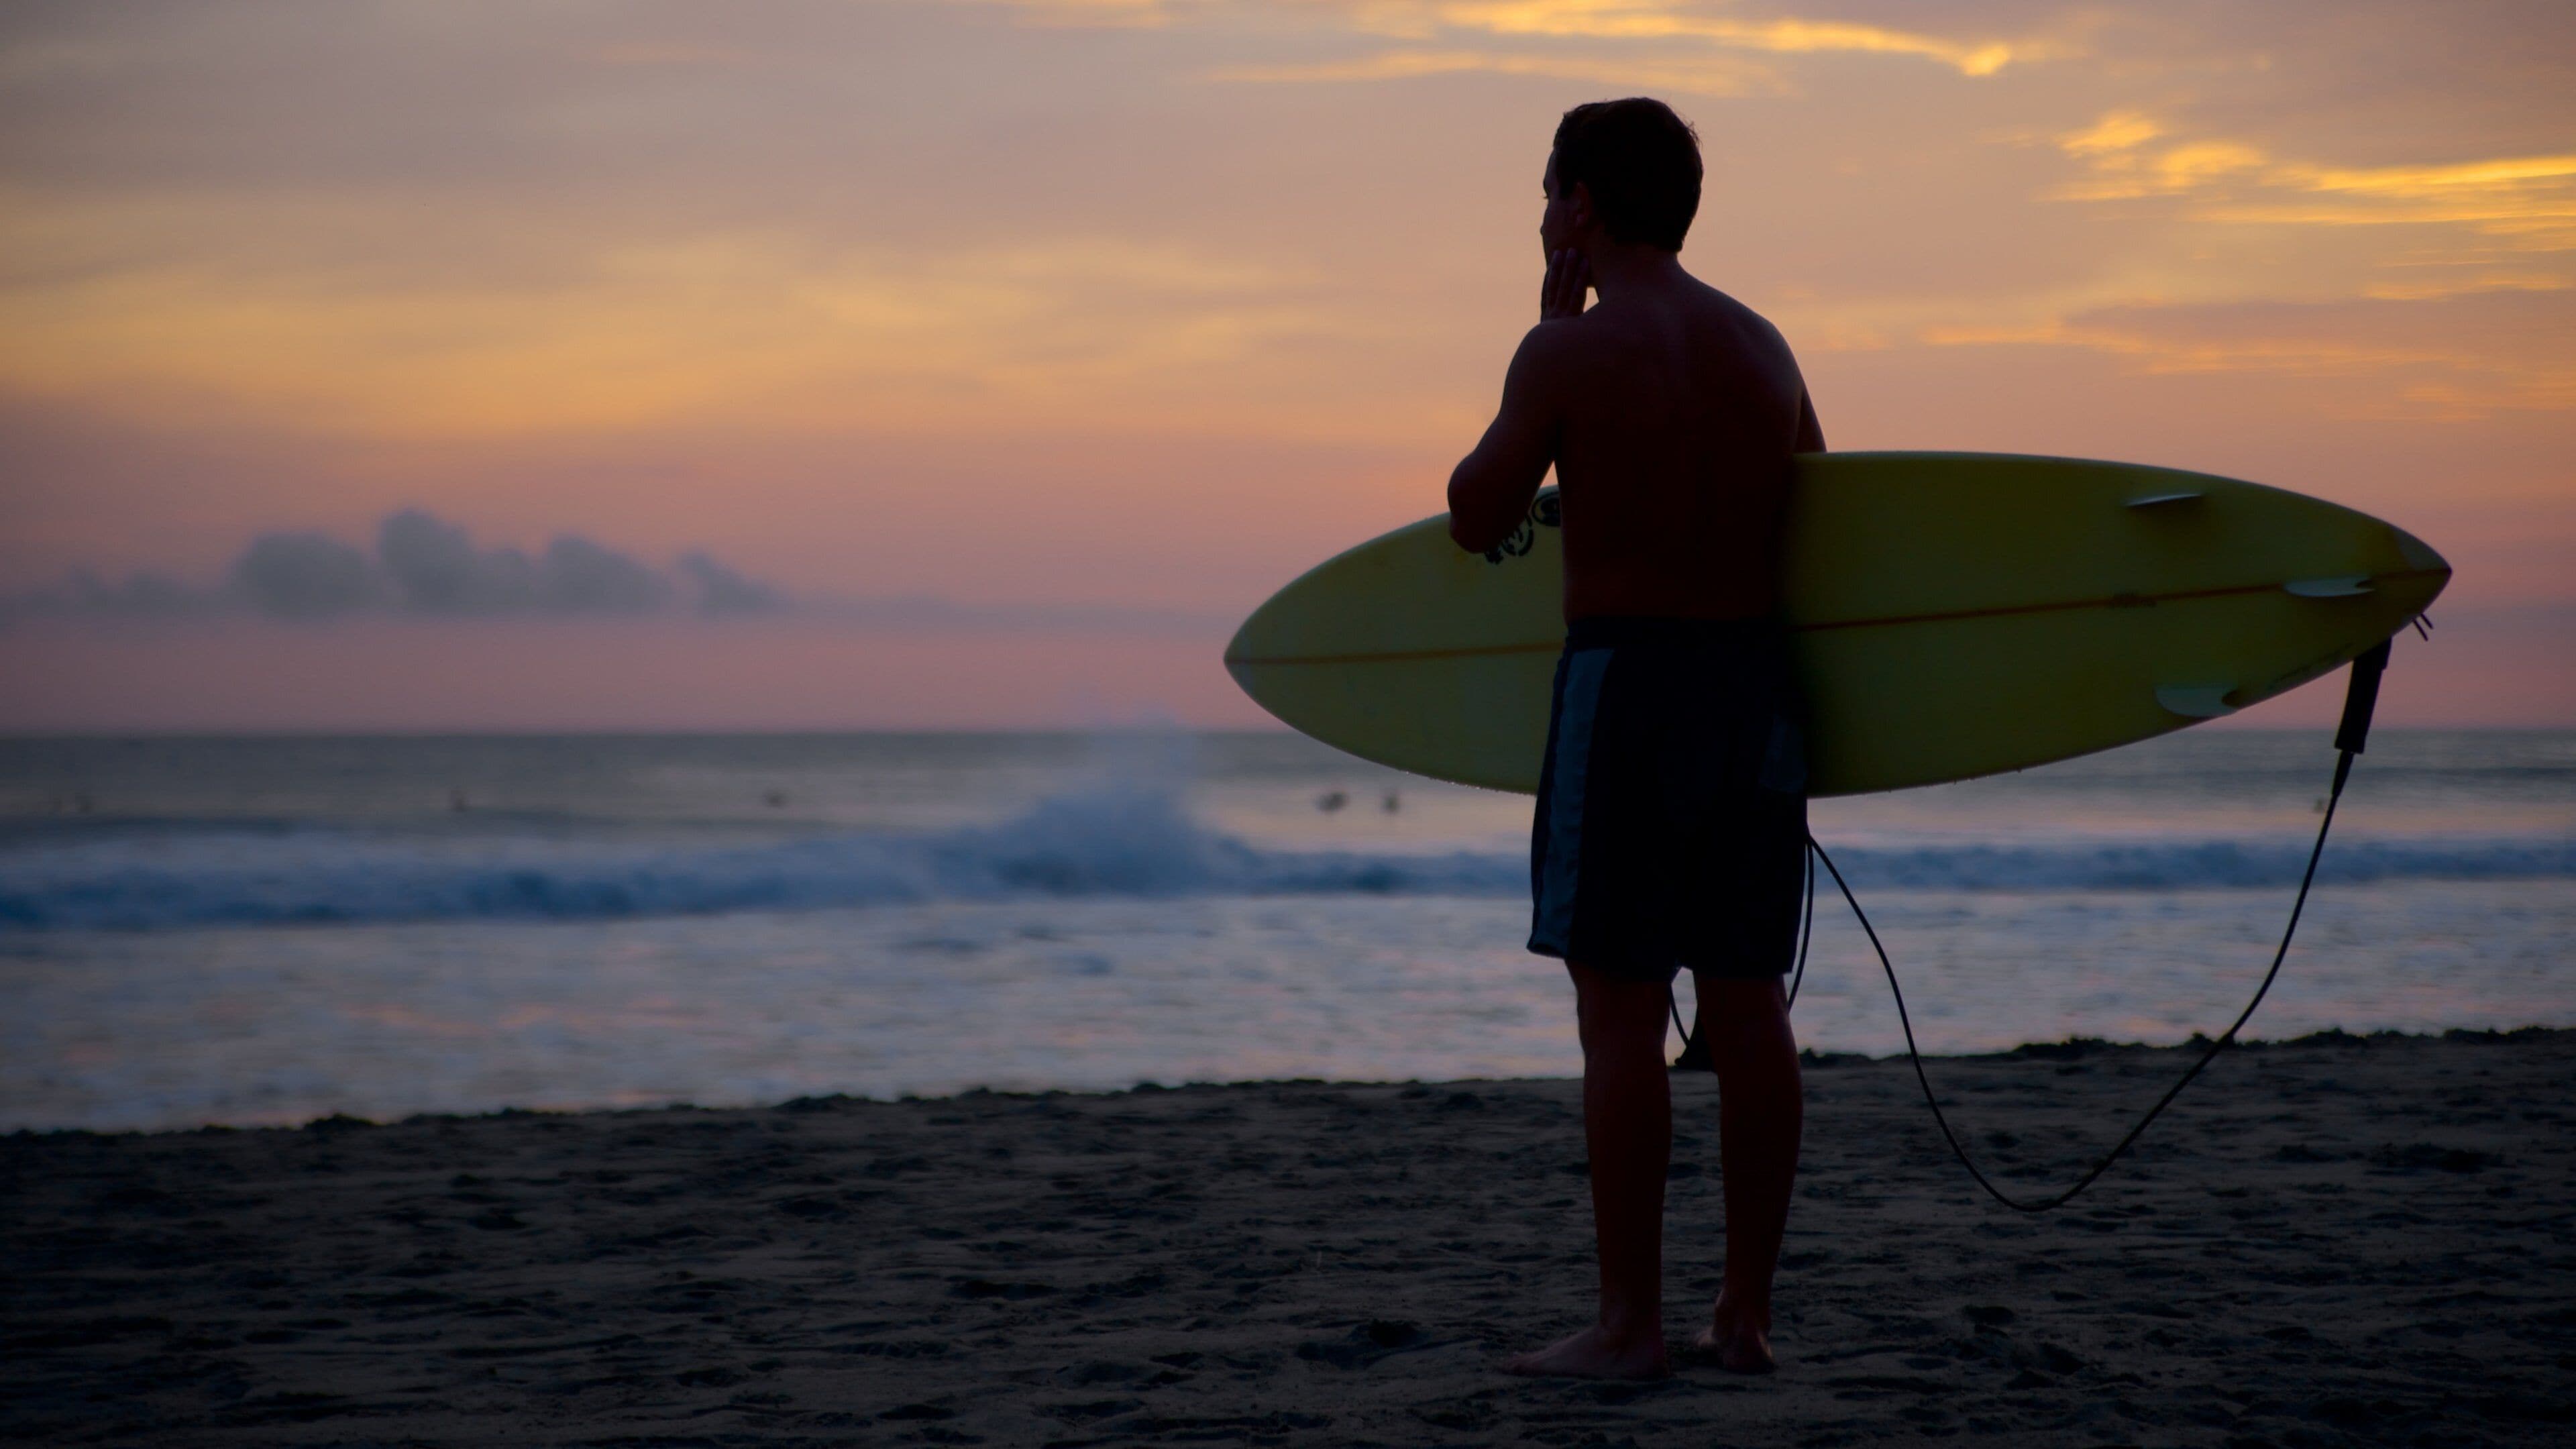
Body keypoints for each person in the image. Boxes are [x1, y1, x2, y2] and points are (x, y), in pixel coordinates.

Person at [1446, 97, 1821, 1382]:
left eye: (1549, 190)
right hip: (1757, 694)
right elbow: (1823, 507)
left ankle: (1629, 1324)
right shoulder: (1763, 348)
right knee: (1747, 1000)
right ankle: (1746, 1316)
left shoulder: (1569, 356)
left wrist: (1549, 341)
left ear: (1584, 207)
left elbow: (1475, 511)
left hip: (1628, 688)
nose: (1545, 214)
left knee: (1619, 1015)